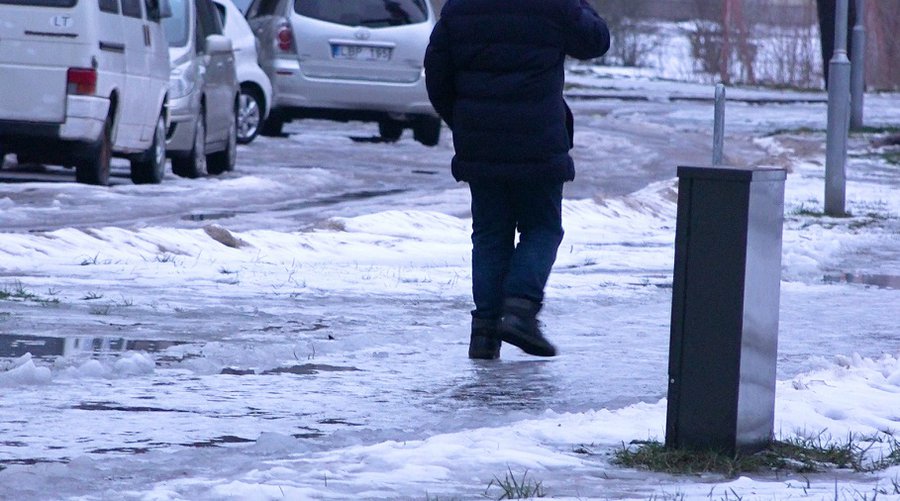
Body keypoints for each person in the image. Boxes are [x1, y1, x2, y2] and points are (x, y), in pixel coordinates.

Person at [424, 0, 610, 359]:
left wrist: (464, 121)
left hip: (481, 140)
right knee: (542, 228)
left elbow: (437, 73)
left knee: (491, 233)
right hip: (537, 139)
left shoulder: (460, 8)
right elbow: (596, 41)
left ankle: (484, 333)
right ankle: (519, 310)